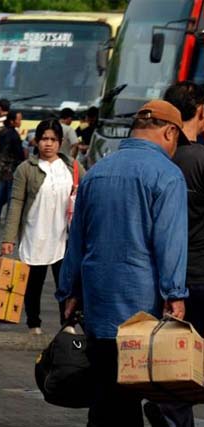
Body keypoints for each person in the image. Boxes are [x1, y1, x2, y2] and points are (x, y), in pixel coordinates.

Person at [58, 100, 189, 427]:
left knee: (106, 391)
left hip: (98, 304)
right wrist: (175, 294)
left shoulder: (97, 172)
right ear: (170, 131)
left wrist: (69, 290)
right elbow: (169, 242)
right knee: (127, 393)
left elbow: (76, 238)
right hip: (141, 307)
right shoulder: (167, 175)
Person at [147, 82, 204, 427]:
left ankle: (169, 410)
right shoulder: (200, 159)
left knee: (171, 356)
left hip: (161, 277)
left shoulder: (155, 162)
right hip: (199, 275)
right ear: (200, 112)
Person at [1, 119, 84, 335]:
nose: (48, 144)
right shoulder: (26, 169)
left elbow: (88, 194)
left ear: (61, 142)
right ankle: (34, 324)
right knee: (33, 285)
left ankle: (67, 324)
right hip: (34, 235)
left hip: (63, 237)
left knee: (65, 284)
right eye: (44, 139)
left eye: (53, 140)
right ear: (36, 142)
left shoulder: (73, 167)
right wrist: (9, 238)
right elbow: (16, 203)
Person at [0, 111, 23, 226]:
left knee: (1, 196)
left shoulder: (3, 131)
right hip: (11, 169)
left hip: (2, 167)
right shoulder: (13, 134)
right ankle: (10, 221)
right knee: (11, 196)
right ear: (12, 121)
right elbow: (19, 153)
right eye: (19, 120)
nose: (20, 122)